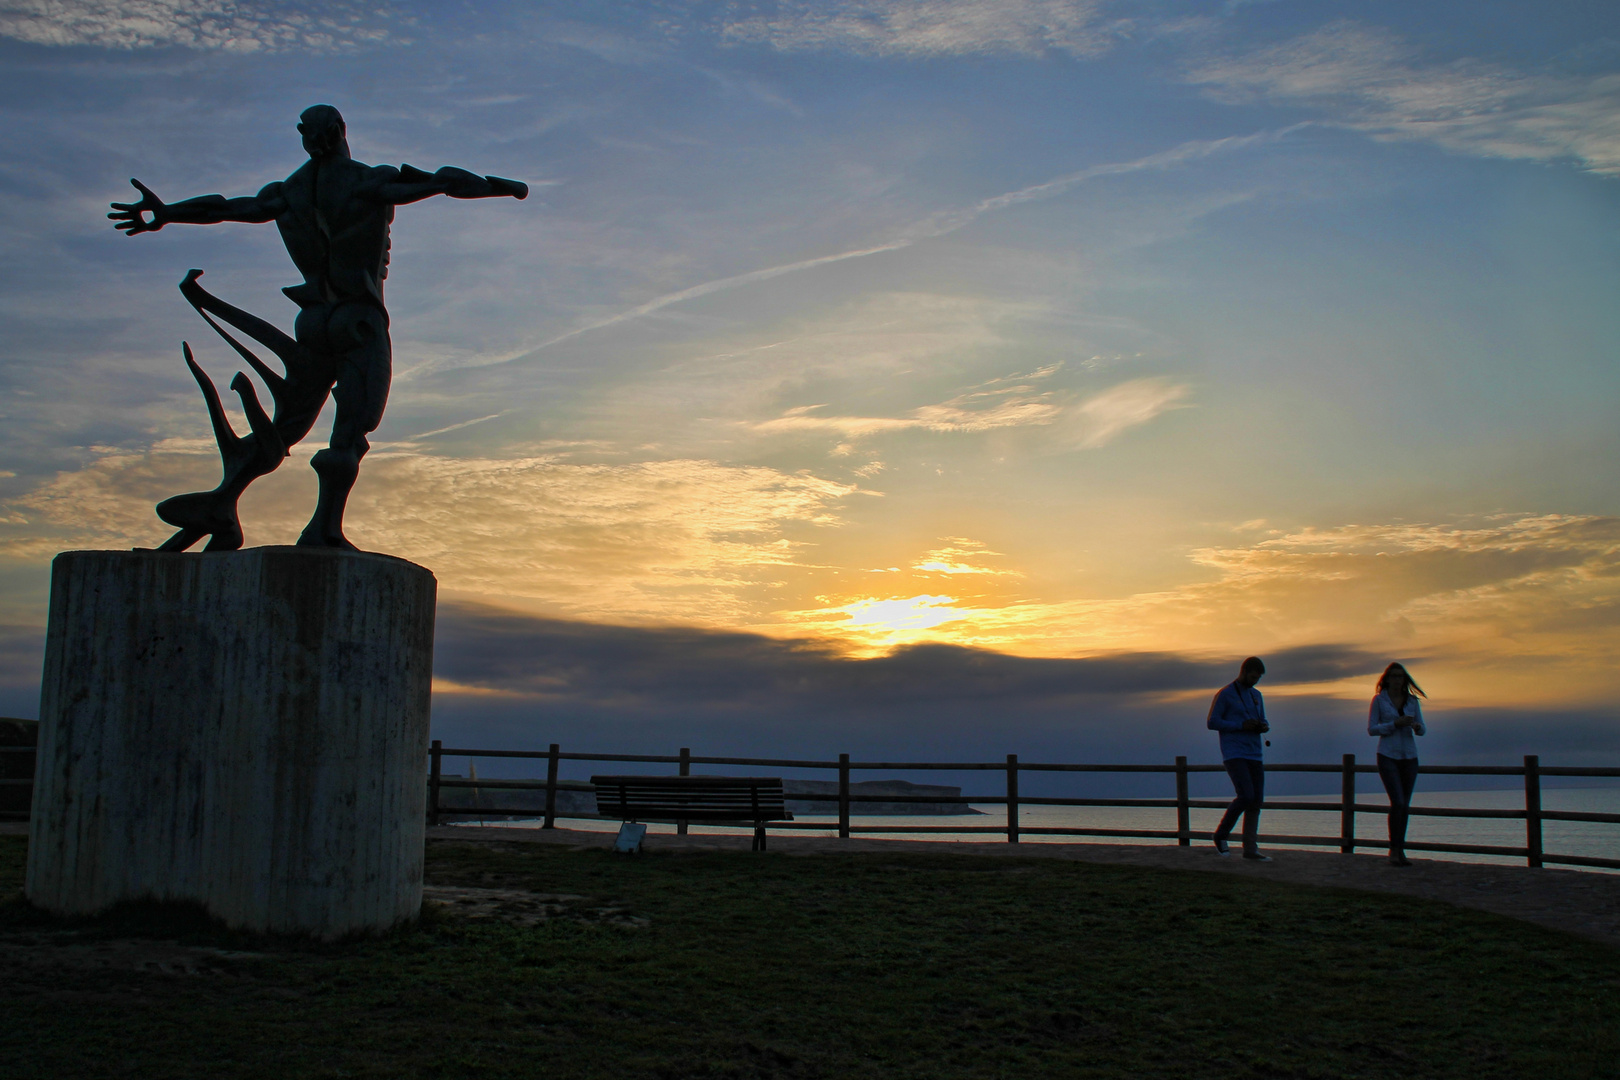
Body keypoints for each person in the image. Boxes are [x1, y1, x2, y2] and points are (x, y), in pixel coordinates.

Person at [1206, 657, 1271, 861]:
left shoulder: (1257, 696)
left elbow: (1264, 719)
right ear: (1243, 671)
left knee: (1256, 801)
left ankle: (1250, 849)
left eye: (1258, 678)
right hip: (1234, 753)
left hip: (1255, 753)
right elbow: (1212, 722)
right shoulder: (1225, 694)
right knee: (1246, 796)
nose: (1255, 681)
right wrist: (1241, 725)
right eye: (1253, 676)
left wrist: (1263, 726)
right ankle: (1221, 835)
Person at [1368, 662, 1426, 867]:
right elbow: (1372, 729)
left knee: (1405, 805)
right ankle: (1394, 849)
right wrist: (1394, 724)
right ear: (1387, 678)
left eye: (1400, 676)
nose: (1397, 680)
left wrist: (1416, 726)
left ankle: (1400, 850)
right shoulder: (1379, 700)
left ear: (1405, 679)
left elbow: (1423, 729)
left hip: (1410, 756)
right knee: (1398, 803)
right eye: (1393, 676)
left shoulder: (1412, 701)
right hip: (1387, 755)